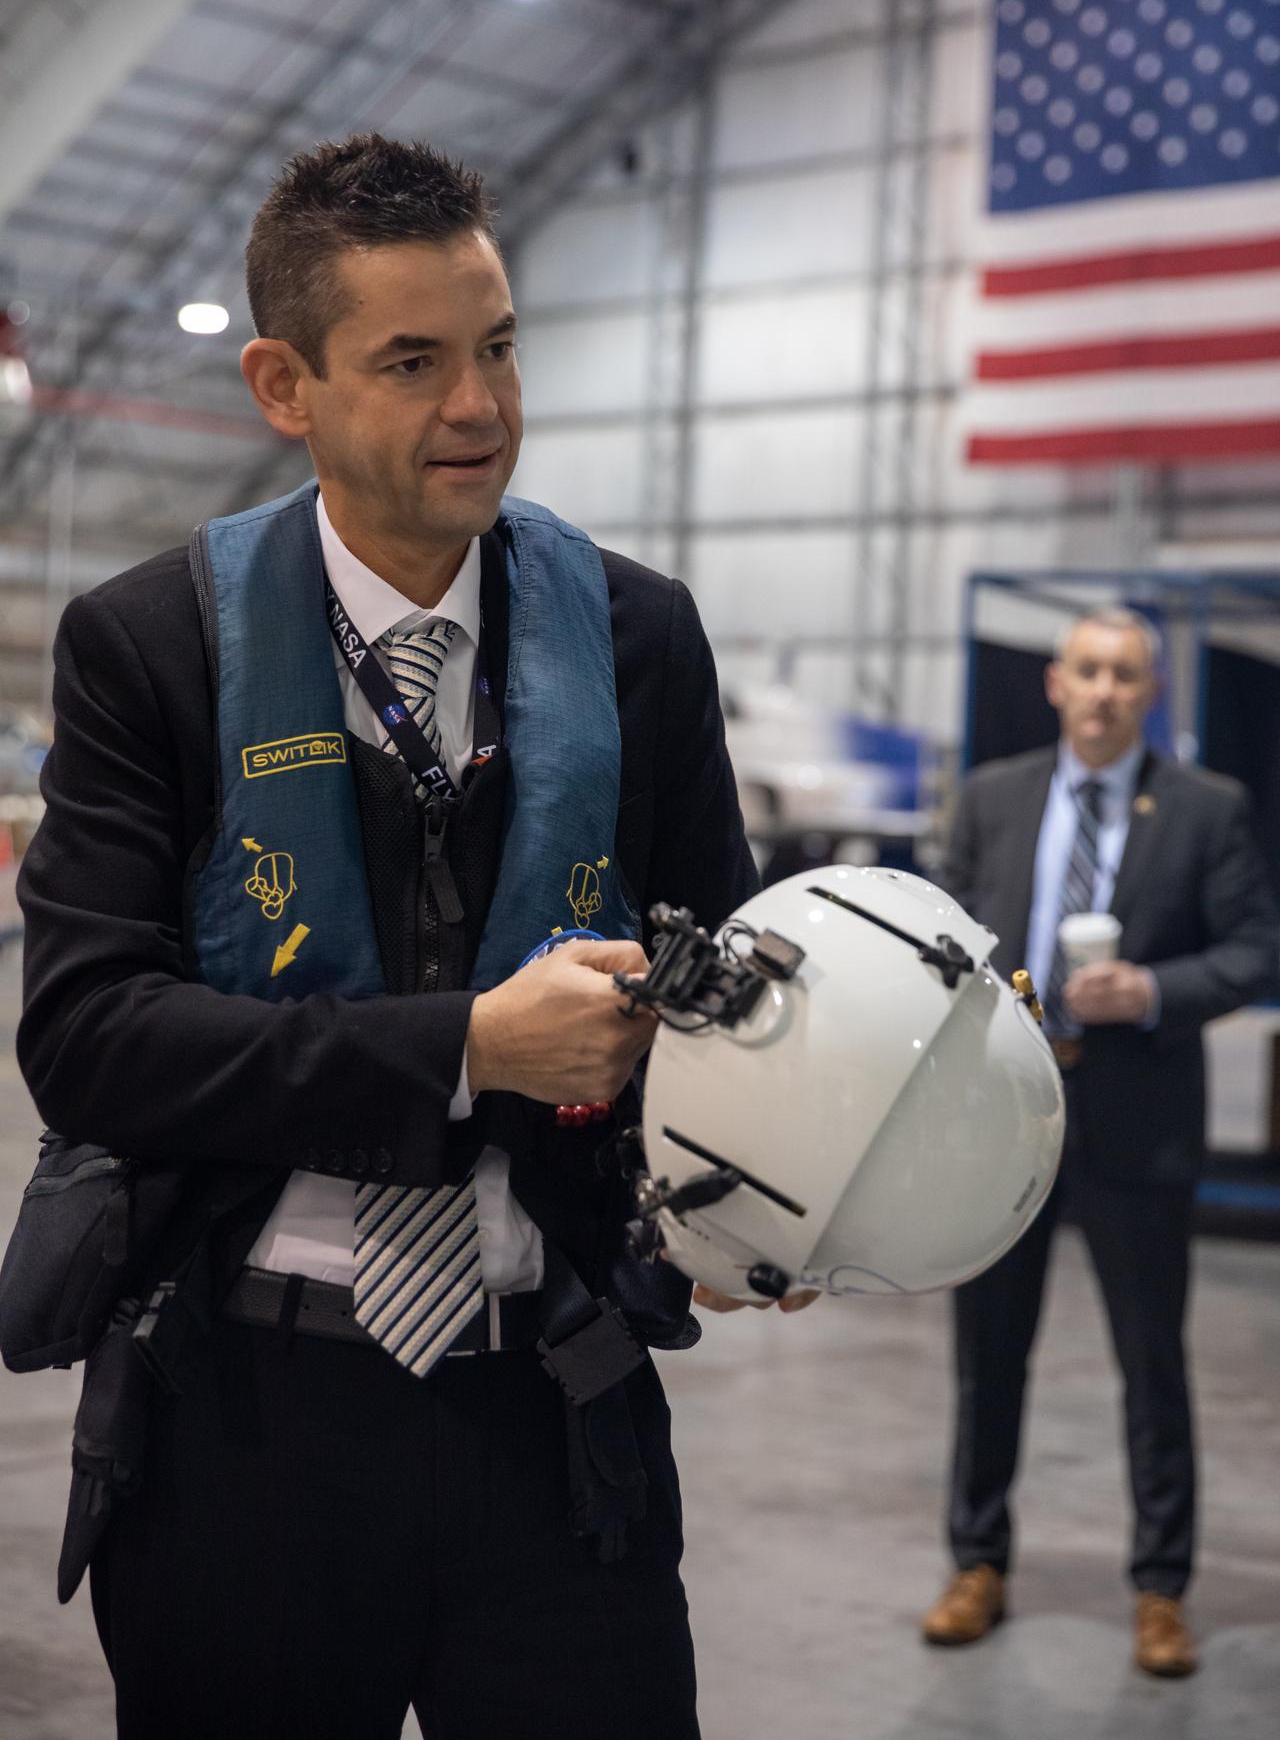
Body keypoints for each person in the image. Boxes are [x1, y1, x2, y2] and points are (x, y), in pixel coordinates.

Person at [16, 133, 810, 1740]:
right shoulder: (150, 645)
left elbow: (730, 971)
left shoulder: (638, 634)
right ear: (282, 384)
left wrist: (760, 1187)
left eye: (500, 345)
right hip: (248, 1423)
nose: (481, 407)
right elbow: (89, 1039)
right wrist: (461, 1050)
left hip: (556, 1409)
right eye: (415, 361)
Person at [921, 607, 1278, 1678]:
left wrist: (1152, 990)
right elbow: (940, 941)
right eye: (1085, 670)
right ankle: (974, 1562)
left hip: (1132, 1117)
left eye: (1124, 674)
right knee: (987, 1357)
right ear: (1054, 683)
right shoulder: (990, 799)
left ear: (1150, 690)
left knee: (1149, 1363)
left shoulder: (1206, 809)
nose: (1103, 691)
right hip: (1001, 1120)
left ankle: (1159, 1588)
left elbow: (1253, 949)